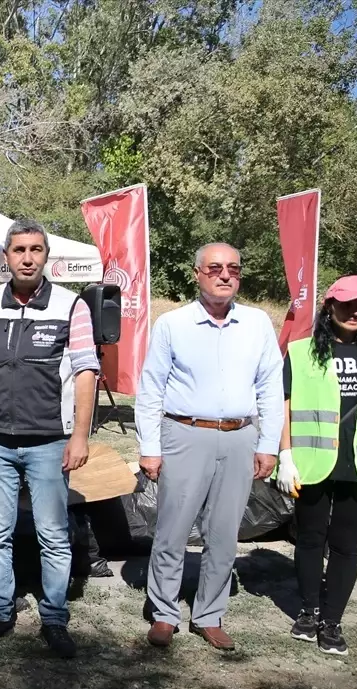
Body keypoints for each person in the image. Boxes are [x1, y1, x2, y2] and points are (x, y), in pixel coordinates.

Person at [0, 220, 99, 659]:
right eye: (19, 249)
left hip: (49, 441)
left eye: (36, 249)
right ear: (6, 256)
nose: (27, 257)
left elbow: (86, 372)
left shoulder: (71, 305)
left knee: (53, 535)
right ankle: (0, 613)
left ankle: (55, 620)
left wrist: (79, 436)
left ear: (45, 256)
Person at [136, 243, 283, 651]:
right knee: (173, 527)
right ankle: (164, 612)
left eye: (233, 269)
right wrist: (150, 447)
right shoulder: (173, 324)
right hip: (185, 434)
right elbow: (150, 389)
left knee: (224, 533)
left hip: (239, 437)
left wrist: (268, 443)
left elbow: (271, 386)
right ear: (198, 273)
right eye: (215, 268)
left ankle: (209, 614)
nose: (224, 275)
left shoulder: (257, 324)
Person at [276, 276, 357, 656]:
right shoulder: (302, 351)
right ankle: (308, 610)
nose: (355, 311)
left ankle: (332, 621)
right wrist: (285, 454)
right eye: (346, 304)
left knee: (345, 545)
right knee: (309, 538)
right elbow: (284, 405)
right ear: (328, 306)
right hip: (312, 461)